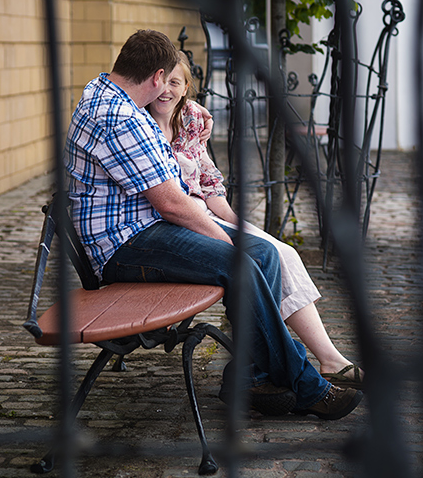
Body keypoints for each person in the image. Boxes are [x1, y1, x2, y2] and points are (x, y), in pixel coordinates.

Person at [64, 29, 363, 420]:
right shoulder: (120, 116)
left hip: (144, 229)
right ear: (156, 76)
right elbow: (172, 204)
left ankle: (250, 376)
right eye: (165, 80)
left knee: (263, 253)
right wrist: (226, 240)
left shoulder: (105, 93)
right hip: (125, 244)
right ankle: (308, 386)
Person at [146, 51, 364, 389]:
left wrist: (239, 223)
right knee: (264, 257)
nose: (166, 90)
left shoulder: (190, 120)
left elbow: (208, 184)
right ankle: (272, 364)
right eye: (162, 81)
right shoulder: (139, 125)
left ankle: (329, 357)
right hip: (174, 227)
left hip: (203, 215)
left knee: (282, 251)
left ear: (187, 87)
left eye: (175, 83)